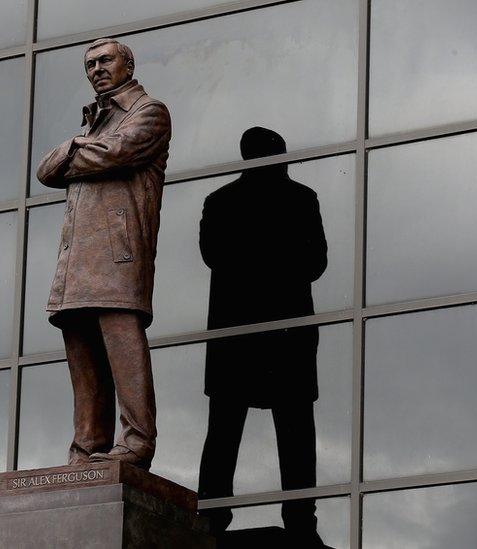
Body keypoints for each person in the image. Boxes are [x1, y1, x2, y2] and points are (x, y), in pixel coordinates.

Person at [35, 38, 171, 470]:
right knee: (82, 354)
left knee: (124, 350)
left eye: (105, 60)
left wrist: (72, 148)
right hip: (77, 264)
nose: (96, 68)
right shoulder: (93, 125)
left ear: (128, 64)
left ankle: (136, 442)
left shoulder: (148, 112)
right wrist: (80, 145)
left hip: (117, 257)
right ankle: (87, 445)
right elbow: (45, 171)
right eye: (89, 63)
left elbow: (119, 152)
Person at [196, 126, 327, 544]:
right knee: (292, 430)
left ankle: (212, 519)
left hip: (242, 333)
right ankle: (300, 522)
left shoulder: (221, 202)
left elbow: (215, 256)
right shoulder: (300, 199)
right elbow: (315, 261)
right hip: (282, 331)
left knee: (226, 430)